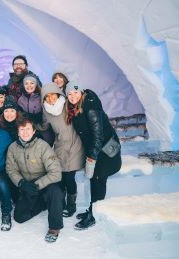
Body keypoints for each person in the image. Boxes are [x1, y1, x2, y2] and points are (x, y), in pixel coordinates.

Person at [65, 81, 122, 230]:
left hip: (107, 152)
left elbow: (98, 136)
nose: (72, 96)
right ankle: (92, 209)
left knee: (98, 178)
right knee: (94, 179)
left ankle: (95, 215)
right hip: (98, 150)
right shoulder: (77, 107)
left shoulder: (90, 108)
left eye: (75, 93)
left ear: (82, 93)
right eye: (69, 94)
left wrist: (91, 158)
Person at [6, 114, 63, 242]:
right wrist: (21, 183)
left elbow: (56, 173)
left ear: (34, 131)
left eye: (28, 129)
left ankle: (54, 227)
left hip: (44, 184)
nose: (25, 132)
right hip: (27, 186)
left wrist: (37, 185)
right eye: (22, 129)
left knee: (55, 192)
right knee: (19, 217)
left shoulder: (43, 146)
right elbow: (11, 169)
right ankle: (43, 204)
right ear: (18, 131)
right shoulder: (13, 148)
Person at [40, 82, 85, 218]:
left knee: (69, 176)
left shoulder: (67, 105)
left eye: (52, 95)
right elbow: (44, 126)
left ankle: (71, 205)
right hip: (60, 147)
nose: (50, 99)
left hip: (75, 145)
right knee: (59, 177)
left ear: (58, 94)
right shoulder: (46, 111)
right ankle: (60, 203)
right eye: (47, 97)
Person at [18, 75, 54, 145]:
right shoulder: (21, 100)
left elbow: (47, 117)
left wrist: (37, 127)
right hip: (29, 135)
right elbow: (21, 117)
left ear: (36, 84)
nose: (29, 86)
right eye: (26, 83)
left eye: (32, 83)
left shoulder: (42, 96)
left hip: (44, 135)